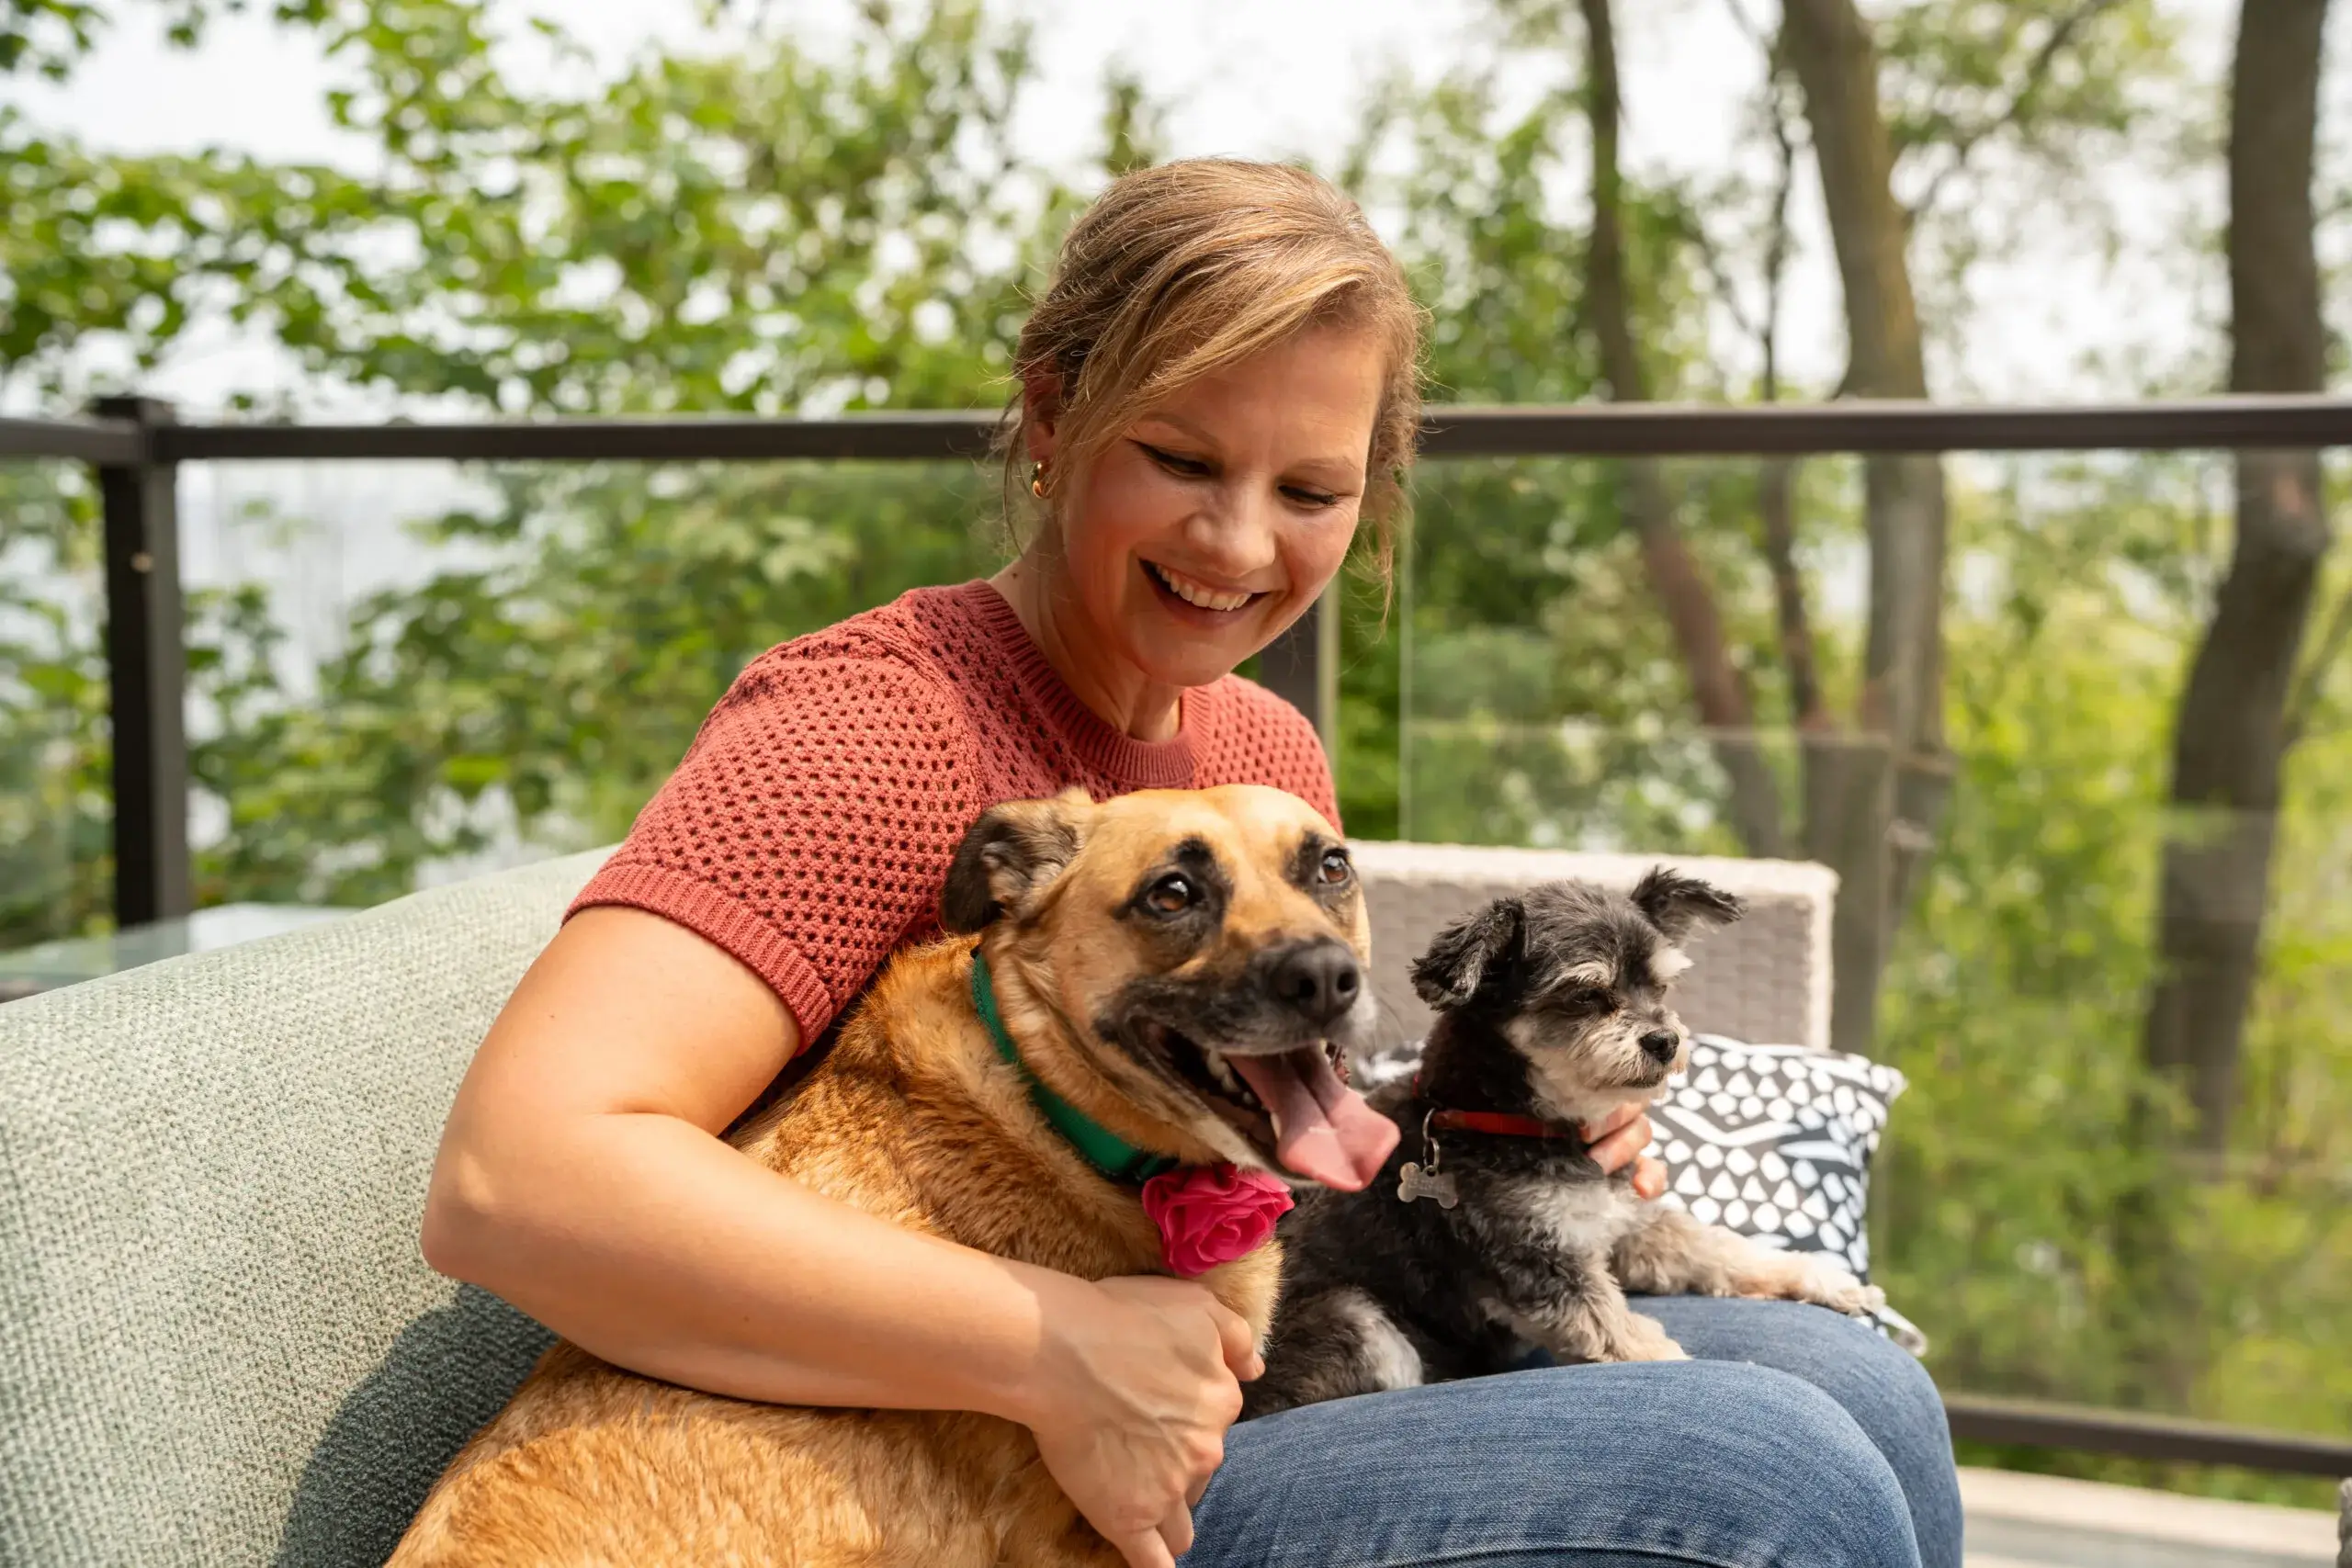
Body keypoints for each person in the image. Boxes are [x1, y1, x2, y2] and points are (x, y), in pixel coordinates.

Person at [420, 157, 1961, 1568]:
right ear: (1051, 415)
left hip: (1227, 1376)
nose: (1237, 545)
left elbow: (1281, 1123)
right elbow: (511, 1179)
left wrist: (1508, 1124)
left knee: (1860, 1388)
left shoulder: (1263, 764)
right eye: (1179, 458)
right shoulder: (872, 732)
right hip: (973, 1470)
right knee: (1774, 1471)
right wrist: (1042, 1342)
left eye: (1311, 492)